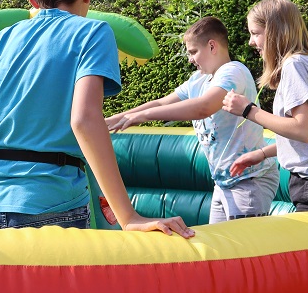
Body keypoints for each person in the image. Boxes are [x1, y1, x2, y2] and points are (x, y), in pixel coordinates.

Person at [0, 0, 194, 237]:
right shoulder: (92, 32)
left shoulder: (2, 39)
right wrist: (129, 217)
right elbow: (84, 120)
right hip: (55, 199)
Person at [105, 16, 279, 223]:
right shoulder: (198, 80)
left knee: (243, 243)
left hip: (249, 179)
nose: (190, 59)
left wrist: (143, 116)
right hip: (223, 182)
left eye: (193, 52)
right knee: (219, 243)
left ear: (212, 46)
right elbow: (161, 103)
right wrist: (113, 119)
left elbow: (204, 107)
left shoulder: (233, 71)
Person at [220, 0, 308, 212]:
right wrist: (262, 153)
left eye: (255, 33)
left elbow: (302, 130)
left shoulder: (295, 65)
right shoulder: (307, 61)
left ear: (275, 31)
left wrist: (248, 110)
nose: (251, 42)